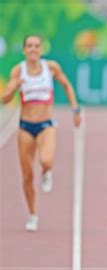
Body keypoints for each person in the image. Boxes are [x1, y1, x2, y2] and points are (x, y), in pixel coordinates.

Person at [1, 35, 81, 231]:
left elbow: (67, 85)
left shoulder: (50, 67)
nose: (33, 49)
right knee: (27, 175)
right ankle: (33, 214)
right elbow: (4, 99)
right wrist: (13, 88)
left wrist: (75, 109)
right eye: (29, 46)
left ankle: (46, 171)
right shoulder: (18, 71)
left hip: (46, 124)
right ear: (24, 50)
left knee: (46, 160)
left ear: (41, 49)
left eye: (36, 46)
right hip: (25, 126)